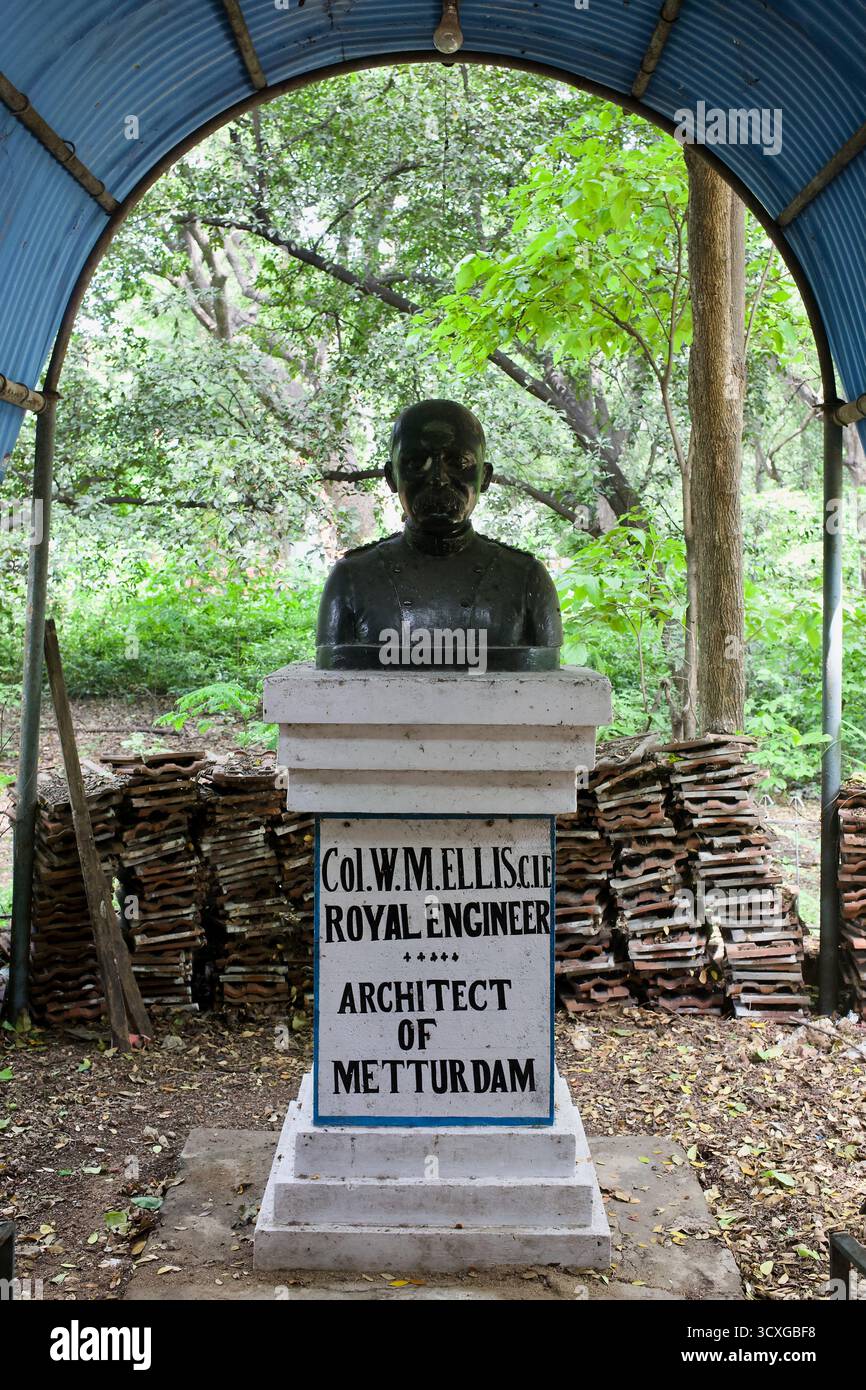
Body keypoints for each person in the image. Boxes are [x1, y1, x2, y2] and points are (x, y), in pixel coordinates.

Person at [315, 399, 562, 670]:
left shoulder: (526, 579)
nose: (438, 478)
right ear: (391, 476)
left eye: (458, 462)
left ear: (485, 477)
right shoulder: (351, 580)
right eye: (416, 463)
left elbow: (547, 690)